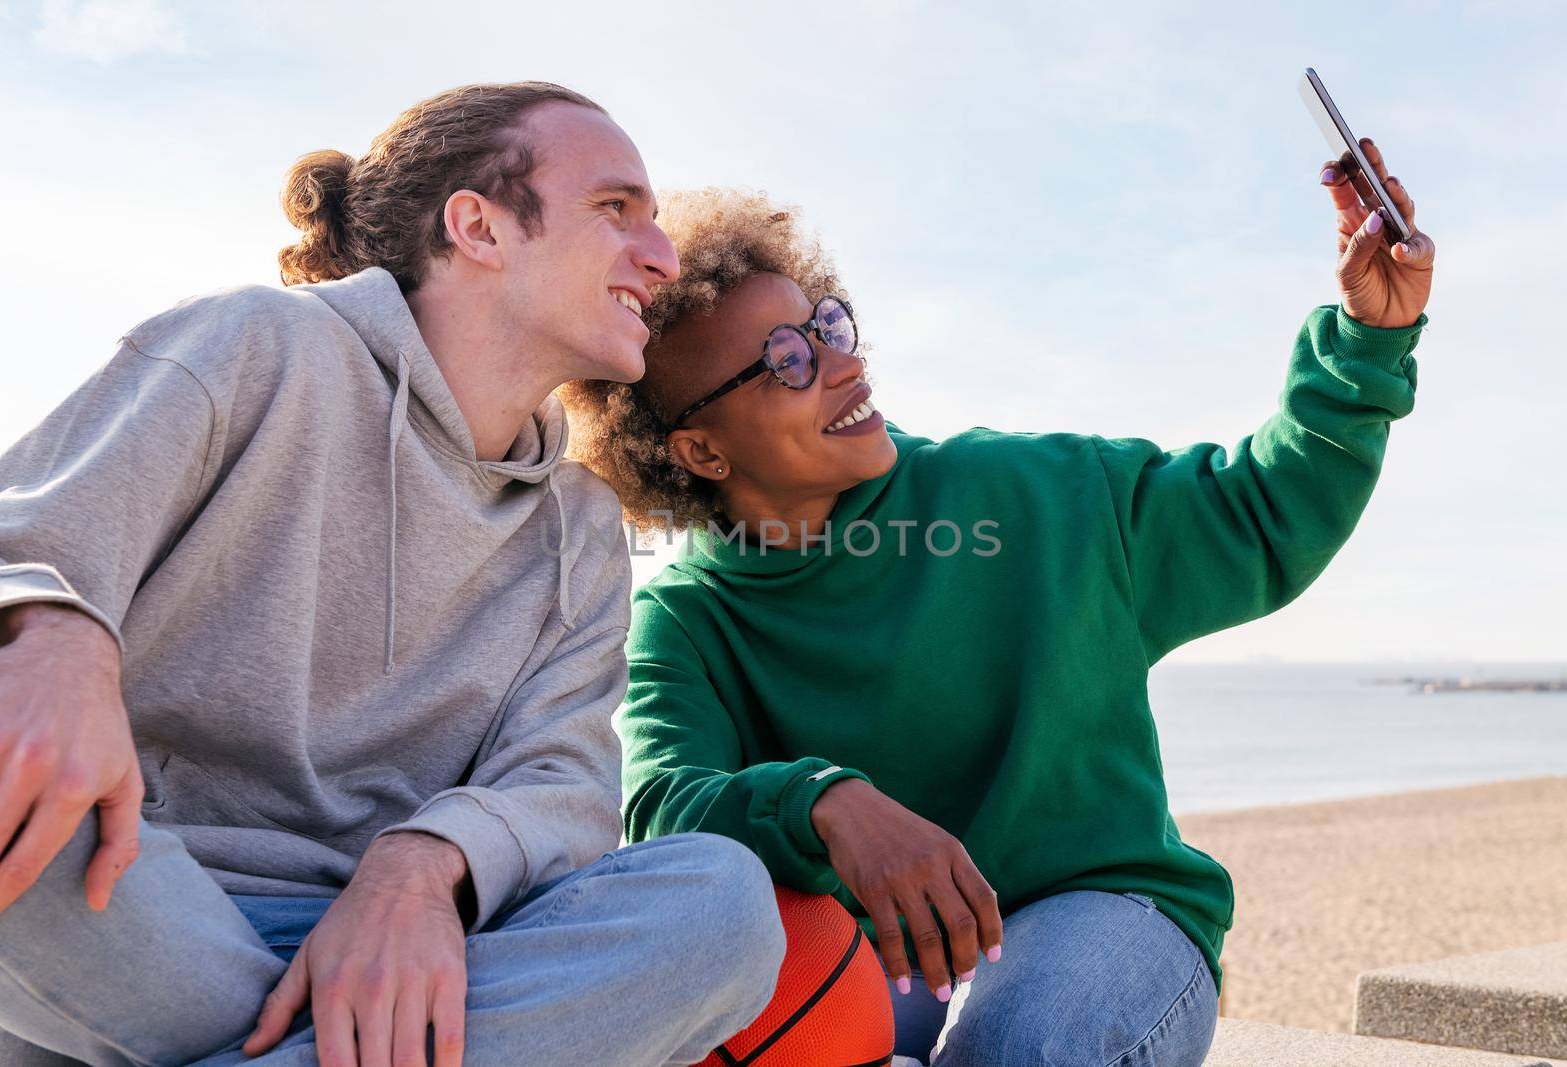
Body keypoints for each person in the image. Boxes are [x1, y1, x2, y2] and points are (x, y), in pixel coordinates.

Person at [561, 140, 1435, 1065]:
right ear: (700, 451)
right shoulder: (687, 619)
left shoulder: (1036, 491)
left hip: (1103, 908)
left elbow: (1262, 510)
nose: (843, 364)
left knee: (1018, 1046)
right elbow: (659, 808)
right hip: (873, 951)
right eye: (786, 360)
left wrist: (1366, 340)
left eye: (827, 325)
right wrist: (826, 804)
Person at [0, 82, 787, 1066]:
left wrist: (418, 869)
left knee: (722, 902)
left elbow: (561, 783)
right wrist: (51, 632)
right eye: (617, 209)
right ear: (477, 226)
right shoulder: (255, 344)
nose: (662, 256)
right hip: (130, 914)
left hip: (407, 961)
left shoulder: (577, 527)